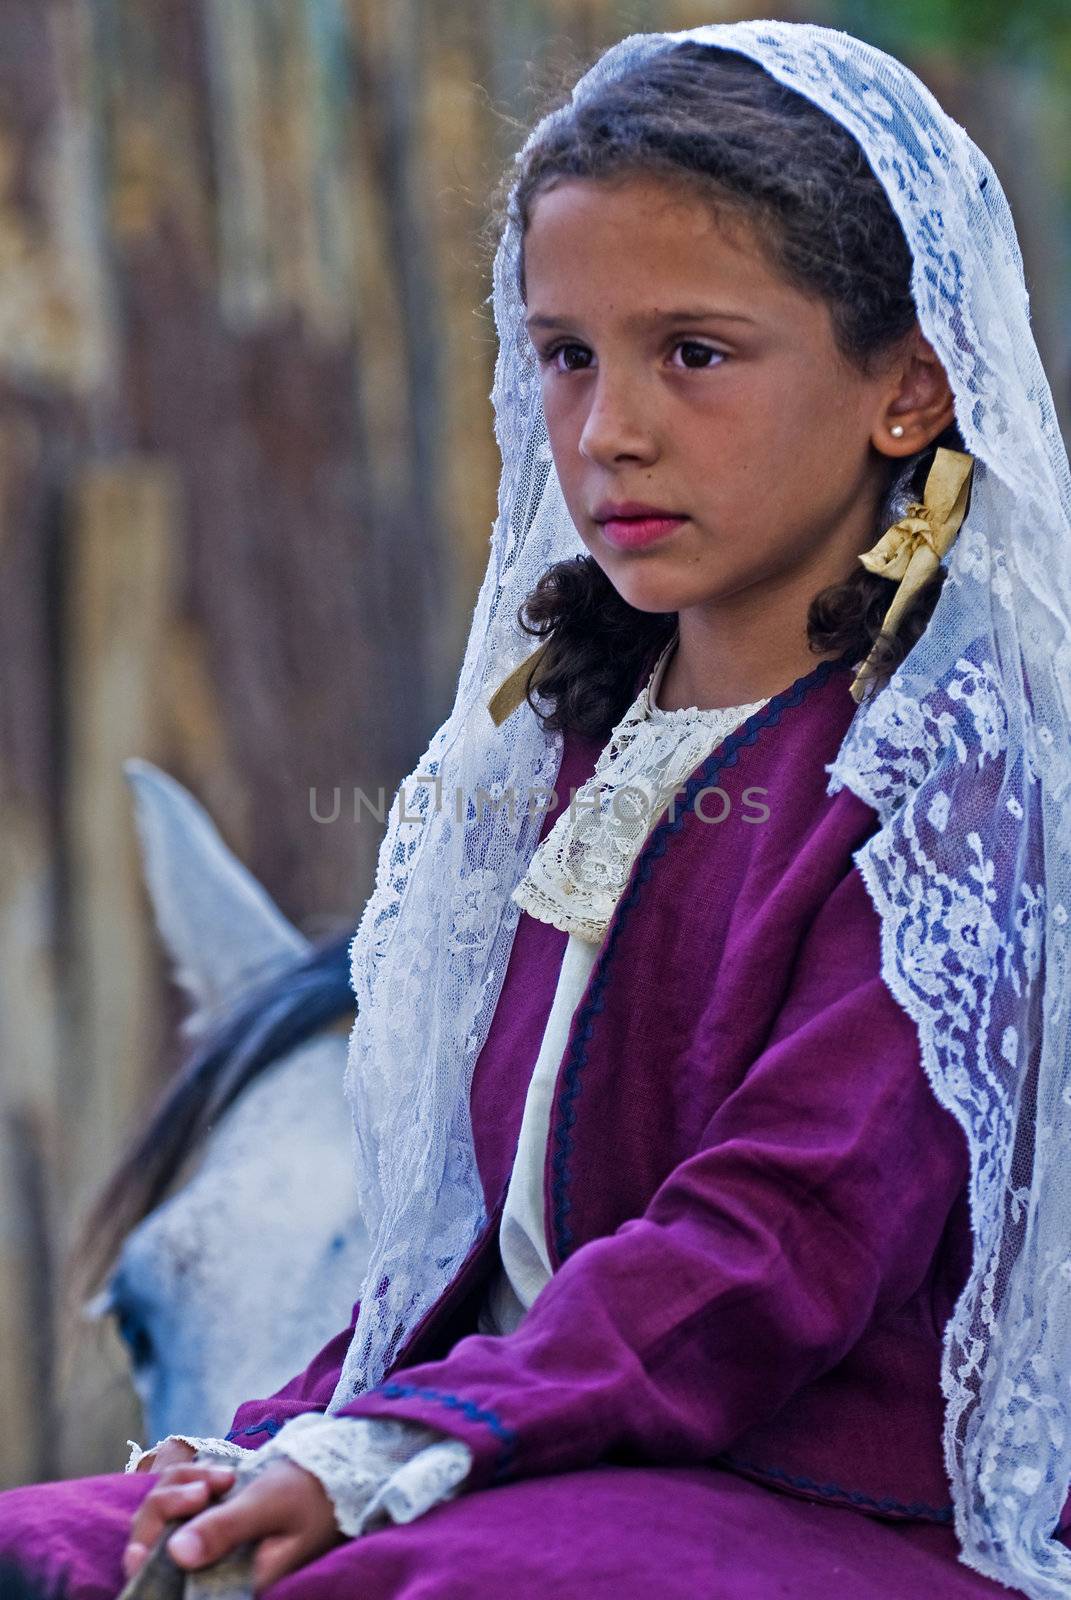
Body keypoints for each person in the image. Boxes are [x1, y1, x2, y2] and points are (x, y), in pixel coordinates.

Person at [2, 20, 1069, 1600]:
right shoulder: (567, 755)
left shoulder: (948, 796)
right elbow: (451, 1247)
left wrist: (392, 1452)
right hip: (540, 1445)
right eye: (568, 354)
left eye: (692, 355)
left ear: (909, 388)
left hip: (818, 1499)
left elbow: (776, 1245)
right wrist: (303, 1432)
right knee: (48, 1548)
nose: (608, 430)